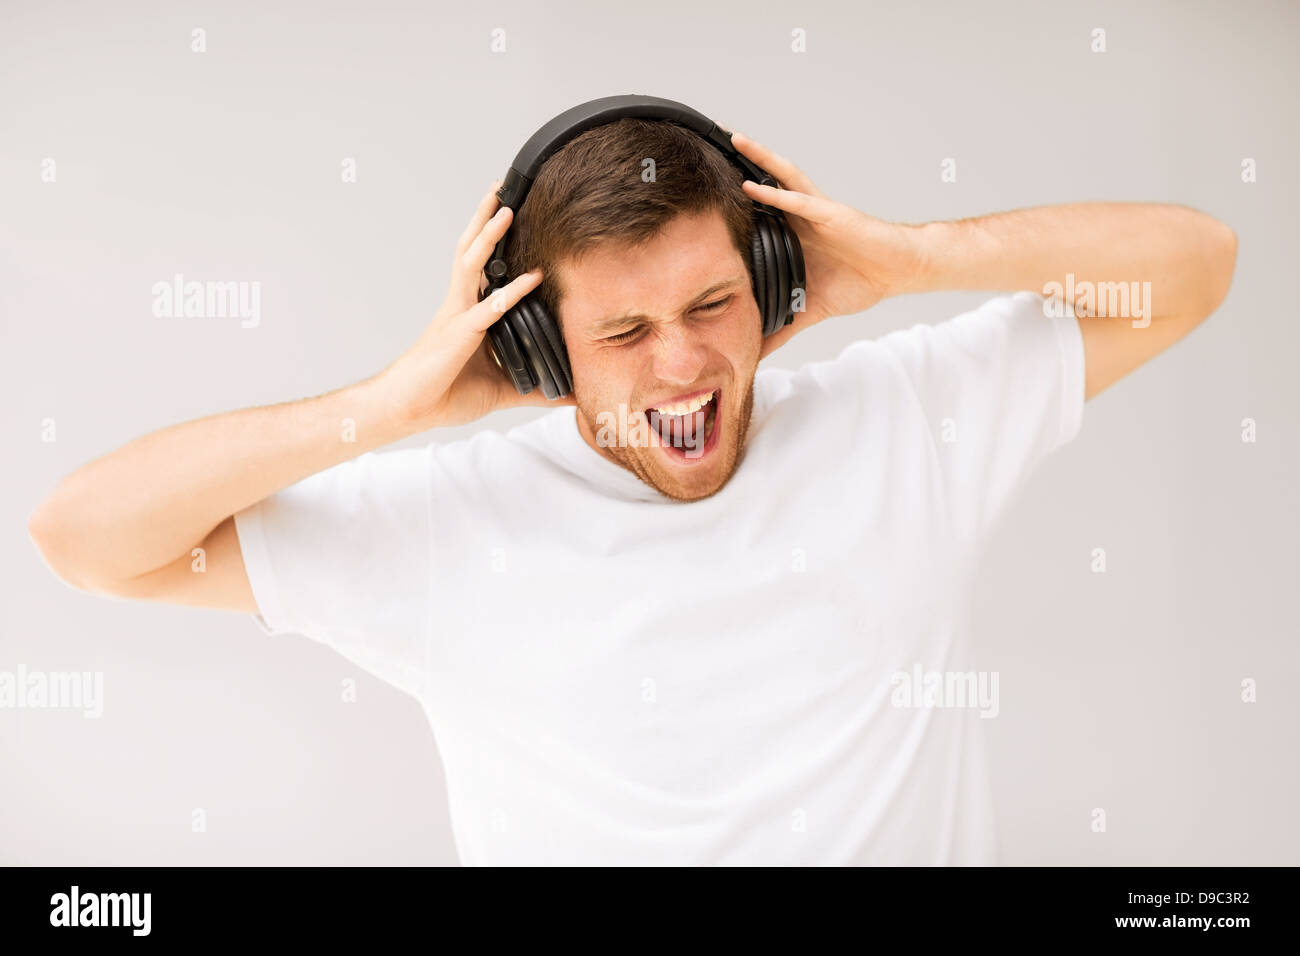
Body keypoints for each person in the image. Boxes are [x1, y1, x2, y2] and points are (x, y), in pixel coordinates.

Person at [27, 116, 1237, 865]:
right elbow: (87, 539)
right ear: (543, 353)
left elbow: (1193, 269)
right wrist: (391, 407)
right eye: (622, 330)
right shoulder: (448, 524)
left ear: (771, 285)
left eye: (712, 304)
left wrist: (918, 259)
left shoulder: (907, 415)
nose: (681, 363)